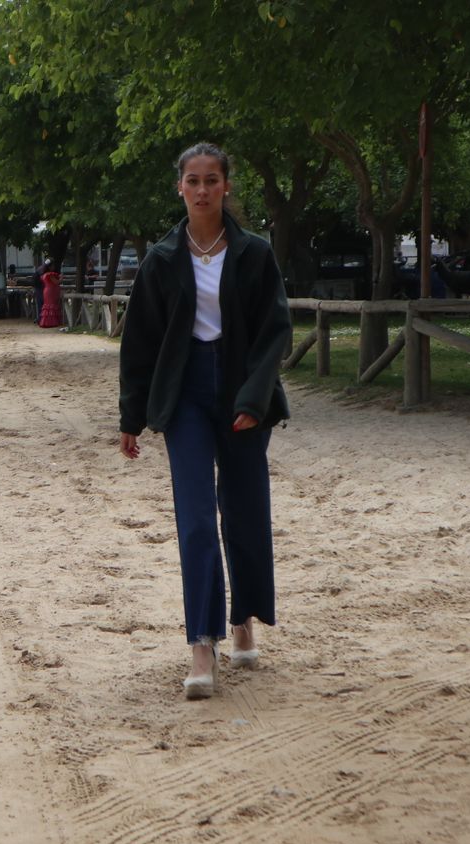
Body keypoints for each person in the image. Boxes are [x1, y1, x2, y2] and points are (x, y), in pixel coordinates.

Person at [117, 142, 291, 700]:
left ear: (226, 187)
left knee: (242, 513)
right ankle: (201, 643)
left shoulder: (255, 254)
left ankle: (242, 620)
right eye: (192, 180)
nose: (201, 190)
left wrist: (254, 399)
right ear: (180, 187)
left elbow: (274, 333)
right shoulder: (162, 258)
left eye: (211, 180)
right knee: (195, 519)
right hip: (184, 394)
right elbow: (139, 342)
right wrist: (132, 415)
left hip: (242, 393)